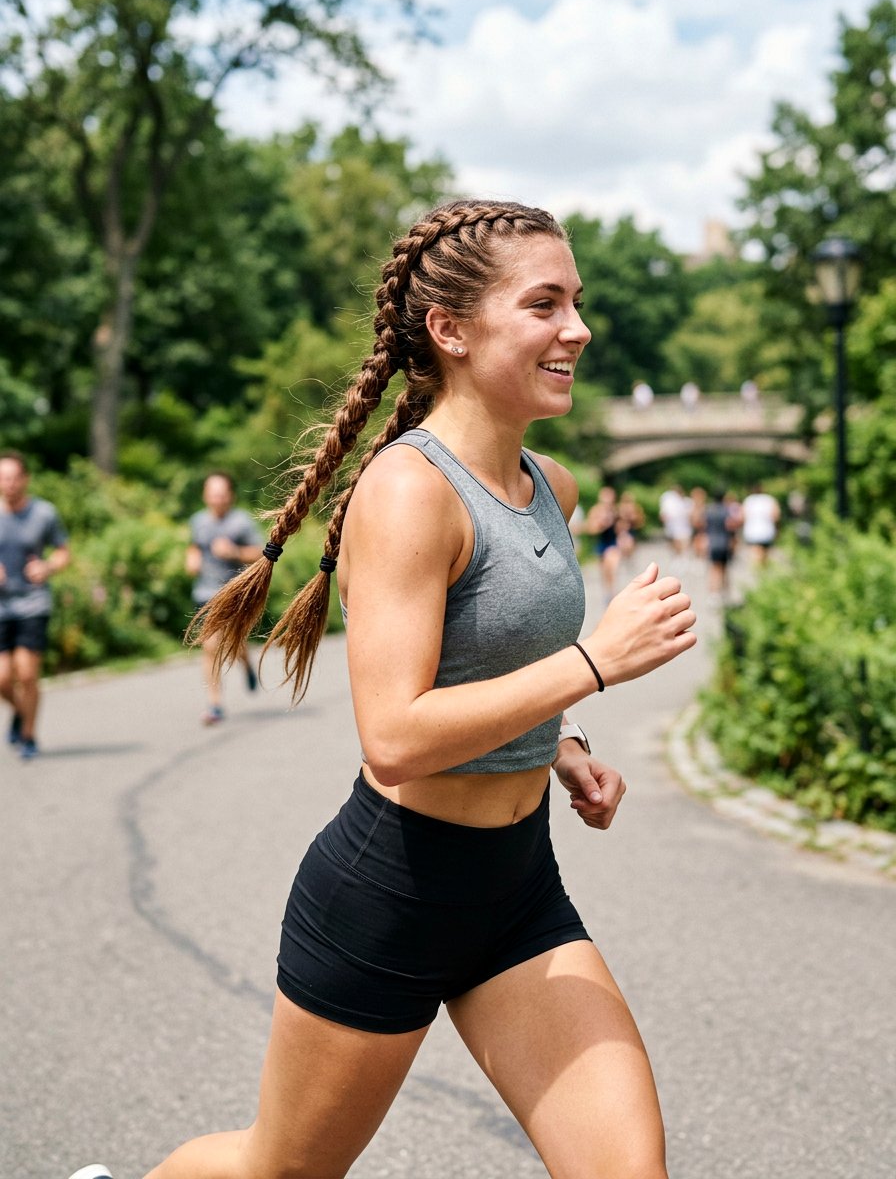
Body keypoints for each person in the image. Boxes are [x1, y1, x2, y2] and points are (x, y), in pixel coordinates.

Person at [70, 199, 696, 1179]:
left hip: (517, 891)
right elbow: (393, 736)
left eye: (576, 301)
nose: (576, 327)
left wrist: (561, 742)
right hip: (392, 893)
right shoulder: (409, 493)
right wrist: (593, 663)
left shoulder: (552, 486)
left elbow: (487, 657)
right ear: (450, 330)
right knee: (278, 1169)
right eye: (543, 303)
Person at [0, 450, 70, 760]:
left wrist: (47, 567)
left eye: (15, 477)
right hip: (1, 606)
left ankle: (28, 735)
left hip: (33, 603)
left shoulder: (44, 513)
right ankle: (20, 711)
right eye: (3, 478)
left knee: (27, 674)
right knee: (2, 678)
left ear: (25, 479)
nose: (9, 484)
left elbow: (63, 552)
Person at [186, 472, 264, 724]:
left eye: (221, 493)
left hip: (234, 593)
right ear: (205, 495)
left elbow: (261, 553)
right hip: (205, 593)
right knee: (210, 646)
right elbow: (194, 546)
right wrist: (192, 559)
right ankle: (214, 704)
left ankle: (246, 663)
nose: (216, 498)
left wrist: (234, 552)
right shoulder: (198, 521)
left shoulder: (241, 522)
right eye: (212, 493)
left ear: (230, 495)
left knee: (234, 643)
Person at [704, 487, 741, 603]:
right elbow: (731, 526)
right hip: (724, 542)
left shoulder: (709, 510)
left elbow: (702, 525)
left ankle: (713, 594)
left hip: (712, 542)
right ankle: (725, 593)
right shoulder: (726, 510)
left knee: (714, 569)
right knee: (724, 569)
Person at [585, 485, 622, 600]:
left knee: (612, 566)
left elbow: (621, 527)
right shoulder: (595, 511)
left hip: (613, 543)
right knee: (605, 570)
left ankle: (611, 591)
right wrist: (601, 525)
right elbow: (590, 529)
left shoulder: (616, 511)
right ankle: (608, 590)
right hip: (601, 543)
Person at [741, 480, 780, 566]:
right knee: (765, 554)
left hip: (751, 531)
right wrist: (777, 529)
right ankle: (763, 571)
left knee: (756, 553)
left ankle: (758, 571)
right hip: (767, 531)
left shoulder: (748, 500)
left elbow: (742, 517)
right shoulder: (769, 499)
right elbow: (776, 516)